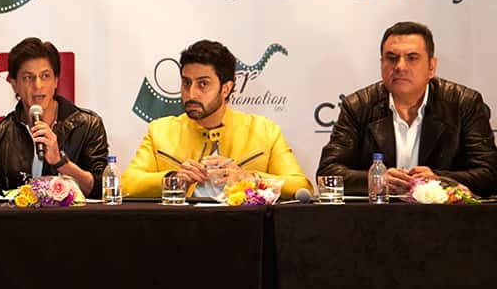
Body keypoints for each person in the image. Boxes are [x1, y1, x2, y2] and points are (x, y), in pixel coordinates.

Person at [317, 21, 497, 196]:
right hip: (374, 219)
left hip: (445, 220)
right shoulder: (358, 106)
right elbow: (328, 173)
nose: (400, 66)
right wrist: (377, 180)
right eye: (392, 58)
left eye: (412, 58)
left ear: (431, 67)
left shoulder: (464, 103)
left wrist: (439, 180)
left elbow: (490, 174)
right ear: (381, 64)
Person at [122, 40, 311, 199]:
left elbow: (301, 187)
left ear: (226, 88)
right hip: (179, 234)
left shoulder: (265, 131)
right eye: (186, 83)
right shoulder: (160, 131)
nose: (191, 93)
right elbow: (126, 185)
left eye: (203, 84)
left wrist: (251, 179)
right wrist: (173, 178)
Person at [0, 38, 109, 197]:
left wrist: (61, 163)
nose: (38, 85)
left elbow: (101, 190)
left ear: (56, 81)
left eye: (45, 76)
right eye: (28, 78)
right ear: (14, 84)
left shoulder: (88, 125)